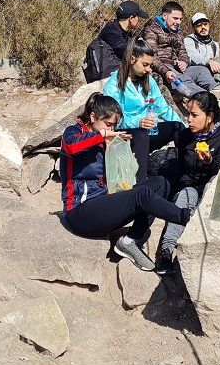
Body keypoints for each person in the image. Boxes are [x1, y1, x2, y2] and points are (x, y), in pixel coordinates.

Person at [59, 93, 192, 272]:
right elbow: (71, 146)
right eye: (108, 124)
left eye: (114, 125)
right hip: (79, 213)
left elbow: (117, 179)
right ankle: (184, 218)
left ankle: (130, 241)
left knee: (160, 183)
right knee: (142, 195)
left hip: (105, 204)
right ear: (92, 117)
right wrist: (102, 135)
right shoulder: (73, 133)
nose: (112, 129)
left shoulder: (107, 139)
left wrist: (126, 161)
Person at [152, 91, 220, 275]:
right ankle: (165, 252)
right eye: (188, 114)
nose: (189, 120)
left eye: (194, 115)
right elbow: (182, 168)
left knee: (208, 186)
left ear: (210, 117)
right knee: (186, 196)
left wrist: (209, 162)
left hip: (211, 191)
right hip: (188, 186)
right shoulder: (185, 136)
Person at [103, 38, 185, 174]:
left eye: (150, 65)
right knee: (141, 136)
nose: (149, 69)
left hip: (148, 130)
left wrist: (187, 130)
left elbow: (163, 108)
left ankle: (186, 169)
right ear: (132, 59)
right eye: (145, 65)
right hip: (127, 135)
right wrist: (138, 122)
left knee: (177, 127)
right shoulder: (114, 85)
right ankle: (141, 184)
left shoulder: (148, 80)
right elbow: (113, 120)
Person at [141, 1, 201, 98]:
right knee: (182, 79)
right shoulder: (152, 29)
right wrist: (166, 71)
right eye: (175, 18)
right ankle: (203, 98)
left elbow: (183, 51)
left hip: (175, 66)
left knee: (200, 70)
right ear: (165, 16)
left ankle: (217, 89)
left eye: (180, 19)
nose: (178, 22)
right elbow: (151, 56)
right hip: (162, 68)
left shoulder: (177, 31)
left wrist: (184, 62)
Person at [183, 13, 220, 100]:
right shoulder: (188, 40)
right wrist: (209, 61)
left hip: (212, 76)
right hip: (196, 74)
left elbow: (219, 66)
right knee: (214, 62)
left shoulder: (215, 45)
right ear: (194, 28)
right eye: (199, 25)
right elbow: (193, 56)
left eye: (205, 24)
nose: (203, 27)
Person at [83, 0, 145, 83]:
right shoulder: (110, 31)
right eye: (138, 17)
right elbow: (127, 51)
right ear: (131, 18)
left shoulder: (126, 32)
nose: (139, 20)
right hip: (107, 78)